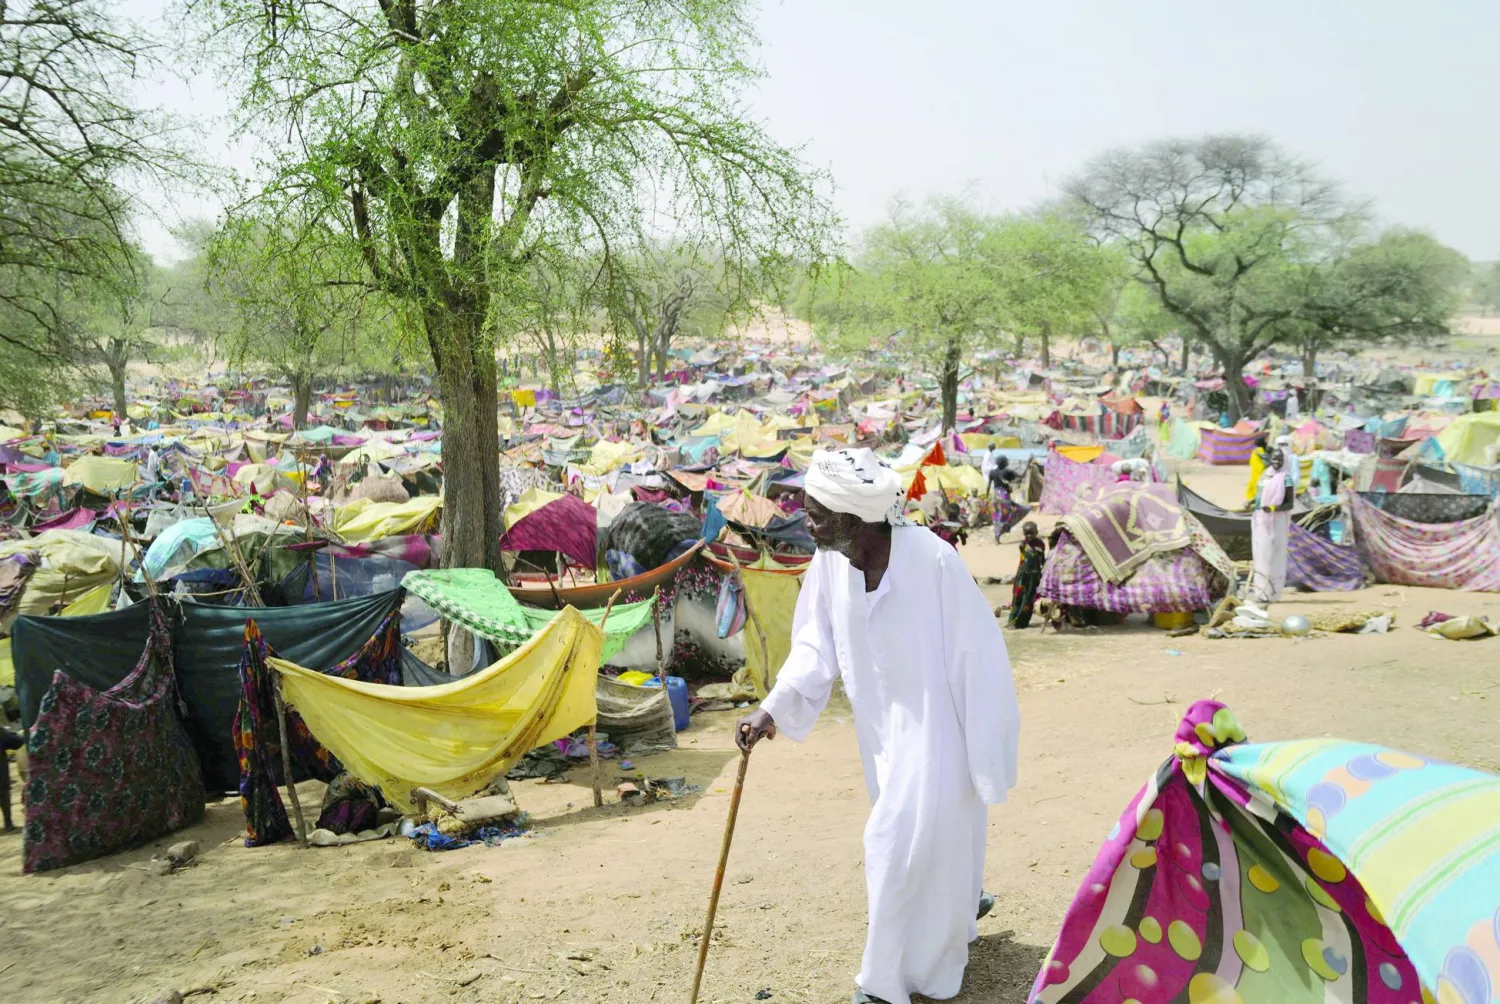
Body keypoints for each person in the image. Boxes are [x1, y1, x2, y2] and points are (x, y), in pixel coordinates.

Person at [737, 448, 1020, 1004]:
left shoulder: (933, 561)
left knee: (892, 841)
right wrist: (772, 708)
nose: (807, 525)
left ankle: (883, 984)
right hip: (880, 733)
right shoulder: (827, 565)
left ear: (853, 520)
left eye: (816, 514)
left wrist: (985, 751)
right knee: (927, 845)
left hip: (941, 730)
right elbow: (814, 645)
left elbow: (979, 660)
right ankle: (960, 907)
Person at [1249, 436, 1296, 604]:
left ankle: (1272, 592)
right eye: (1274, 458)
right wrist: (1251, 502)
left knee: (1272, 554)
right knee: (1260, 554)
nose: (1276, 461)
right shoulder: (1266, 475)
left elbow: (1289, 503)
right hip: (1260, 520)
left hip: (1275, 522)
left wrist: (1274, 508)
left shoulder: (1286, 479)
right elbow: (1260, 495)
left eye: (1279, 459)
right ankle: (1261, 591)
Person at [1007, 522, 1046, 629]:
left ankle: (1021, 623)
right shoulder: (1023, 544)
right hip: (1022, 574)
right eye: (1026, 534)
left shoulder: (1040, 544)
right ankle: (1012, 621)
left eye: (1031, 533)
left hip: (1034, 575)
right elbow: (1023, 559)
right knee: (1017, 598)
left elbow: (1042, 559)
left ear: (1036, 532)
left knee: (1028, 599)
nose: (1029, 536)